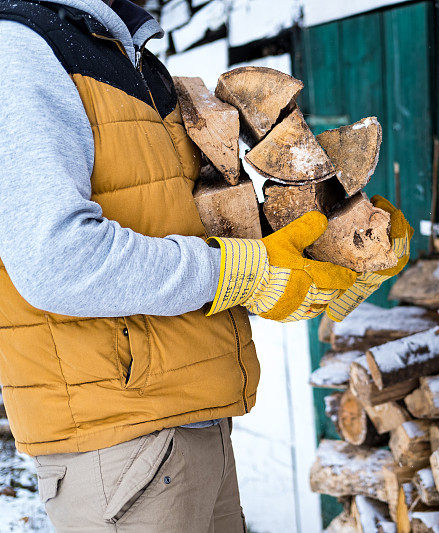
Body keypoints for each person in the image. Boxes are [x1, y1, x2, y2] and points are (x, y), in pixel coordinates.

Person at [0, 0, 411, 530]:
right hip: (121, 446)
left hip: (193, 428)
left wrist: (336, 250)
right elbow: (57, 261)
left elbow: (195, 237)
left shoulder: (126, 50)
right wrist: (240, 273)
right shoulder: (21, 48)